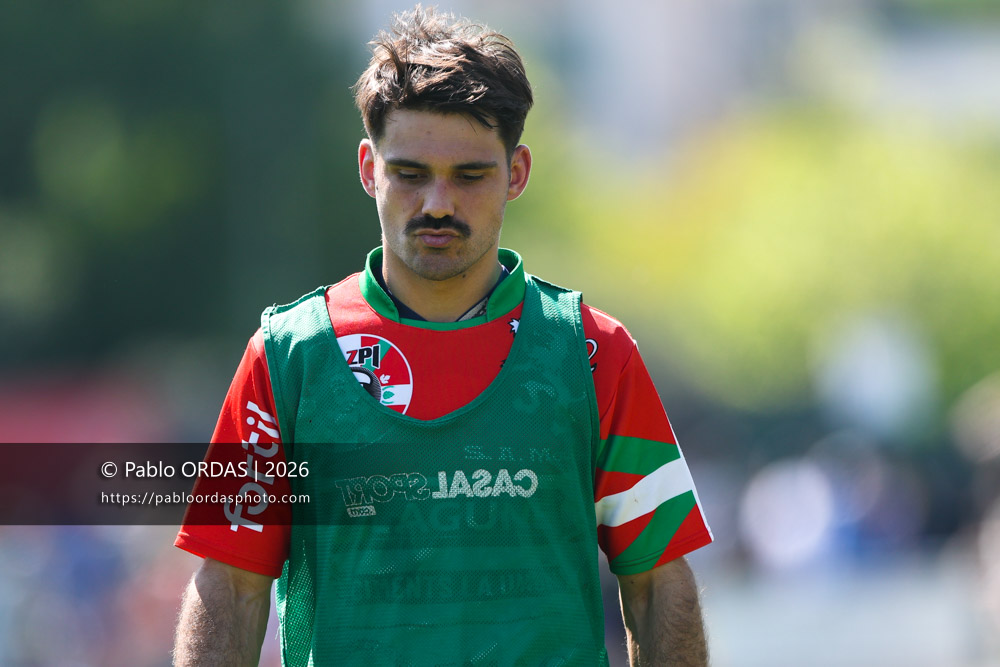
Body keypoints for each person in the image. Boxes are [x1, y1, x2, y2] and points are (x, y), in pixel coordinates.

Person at [173, 6, 713, 666]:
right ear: (370, 169)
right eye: (410, 173)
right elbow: (229, 584)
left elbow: (660, 585)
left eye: (469, 175)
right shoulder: (289, 359)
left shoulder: (593, 354)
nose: (437, 204)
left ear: (516, 173)